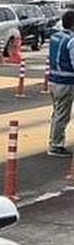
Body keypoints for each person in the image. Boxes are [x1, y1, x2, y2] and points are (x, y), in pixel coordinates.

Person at [49, 10, 74, 158]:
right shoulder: (71, 41)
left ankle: (54, 141)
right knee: (62, 115)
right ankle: (56, 145)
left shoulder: (56, 37)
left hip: (54, 80)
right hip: (66, 82)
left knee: (57, 113)